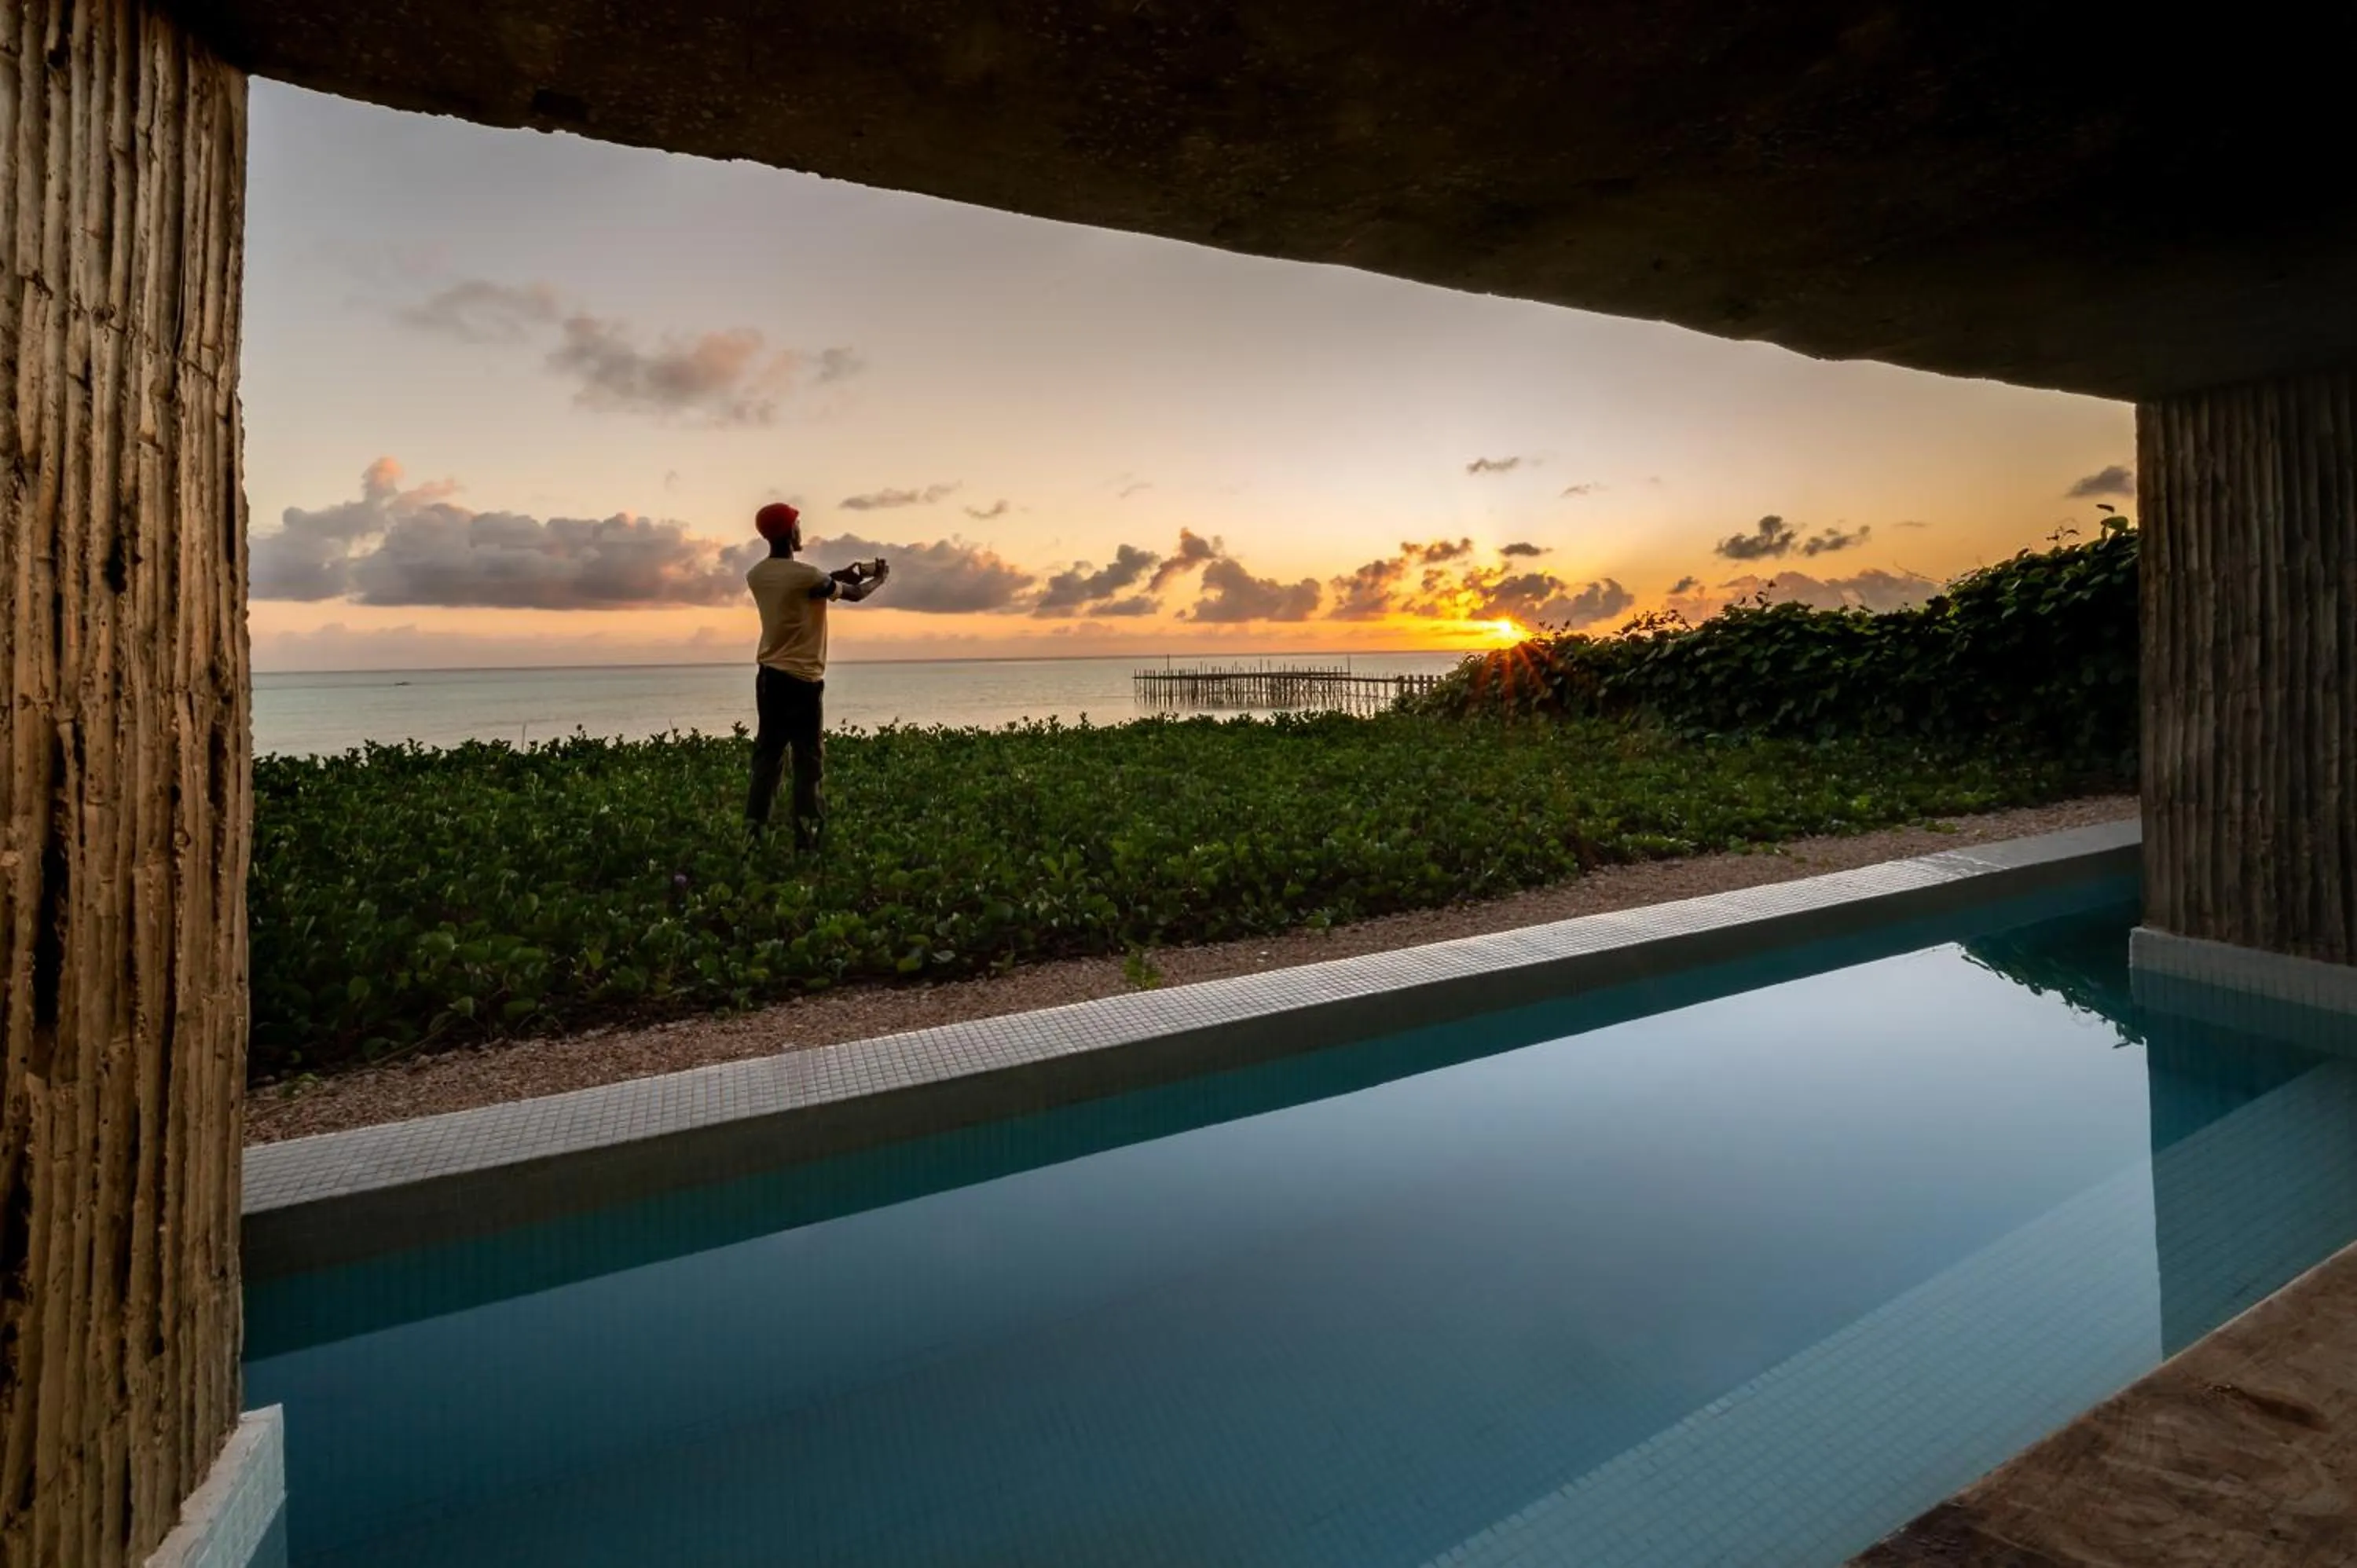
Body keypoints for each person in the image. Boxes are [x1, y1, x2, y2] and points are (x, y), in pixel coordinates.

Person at [744, 502, 889, 848]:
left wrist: (841, 574)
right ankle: (807, 844)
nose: (800, 529)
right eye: (797, 524)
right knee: (808, 764)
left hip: (769, 679)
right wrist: (878, 580)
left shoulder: (758, 575)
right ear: (789, 532)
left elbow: (810, 585)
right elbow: (851, 595)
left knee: (768, 759)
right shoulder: (806, 576)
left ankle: (753, 837)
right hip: (803, 683)